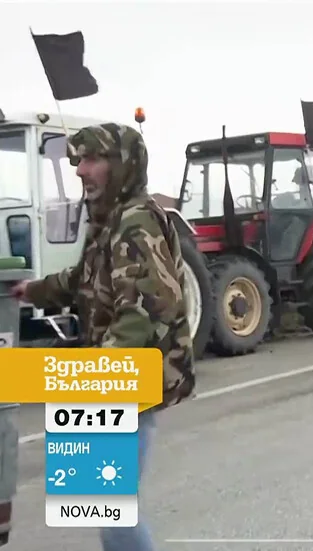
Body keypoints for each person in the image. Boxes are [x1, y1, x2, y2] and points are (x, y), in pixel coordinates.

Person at [11, 123, 195, 551]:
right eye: (78, 161)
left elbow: (145, 310)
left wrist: (96, 378)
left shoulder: (136, 225)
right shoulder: (111, 221)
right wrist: (35, 290)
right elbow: (84, 279)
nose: (80, 171)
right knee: (102, 506)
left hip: (126, 382)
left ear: (121, 165)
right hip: (115, 380)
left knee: (110, 509)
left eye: (92, 160)